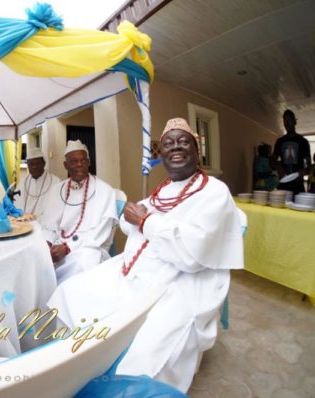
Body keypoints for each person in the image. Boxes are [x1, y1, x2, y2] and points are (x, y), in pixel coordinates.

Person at [47, 118, 244, 392]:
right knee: (70, 292)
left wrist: (145, 222)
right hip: (137, 271)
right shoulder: (163, 189)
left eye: (183, 141)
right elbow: (132, 219)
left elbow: (192, 251)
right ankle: (79, 360)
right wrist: (138, 219)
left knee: (147, 352)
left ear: (197, 150)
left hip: (183, 282)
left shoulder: (213, 191)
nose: (175, 148)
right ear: (160, 154)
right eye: (167, 144)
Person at [39, 140, 119, 284]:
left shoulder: (105, 190)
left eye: (83, 160)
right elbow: (48, 225)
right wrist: (48, 244)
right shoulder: (57, 190)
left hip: (89, 247)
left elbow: (101, 232)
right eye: (74, 161)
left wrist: (68, 248)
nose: (79, 164)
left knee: (85, 261)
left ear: (88, 162)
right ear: (66, 165)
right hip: (57, 245)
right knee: (36, 255)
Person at [13, 147, 60, 219]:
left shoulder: (56, 182)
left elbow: (57, 207)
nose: (34, 167)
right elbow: (16, 203)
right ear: (28, 166)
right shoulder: (23, 182)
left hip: (45, 223)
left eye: (37, 163)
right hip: (24, 222)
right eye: (31, 164)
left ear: (44, 164)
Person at [272, 110, 311, 195]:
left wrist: (303, 172)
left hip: (298, 186)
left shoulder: (303, 142)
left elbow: (309, 167)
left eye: (289, 120)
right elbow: (272, 161)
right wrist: (278, 166)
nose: (286, 123)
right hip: (283, 183)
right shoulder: (280, 141)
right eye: (285, 121)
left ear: (294, 121)